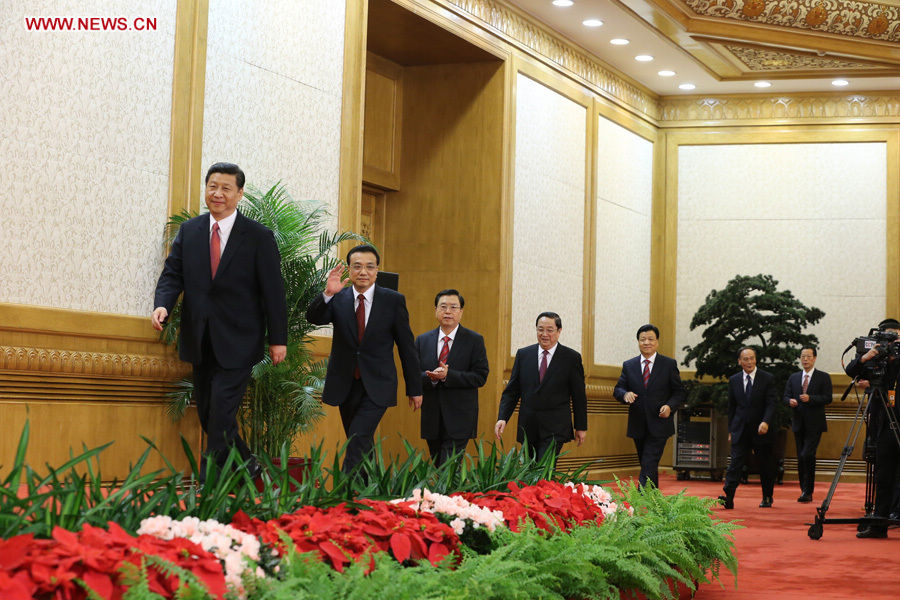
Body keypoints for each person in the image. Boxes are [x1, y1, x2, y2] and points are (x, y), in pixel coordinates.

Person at [151, 162, 287, 479]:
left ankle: (208, 487)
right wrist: (163, 306)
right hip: (200, 338)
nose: (218, 193)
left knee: (221, 413)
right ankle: (251, 470)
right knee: (212, 414)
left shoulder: (257, 236)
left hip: (240, 340)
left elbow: (273, 292)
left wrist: (278, 339)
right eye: (213, 186)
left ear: (239, 194)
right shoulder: (191, 231)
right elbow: (173, 275)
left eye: (226, 188)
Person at [306, 244, 423, 474]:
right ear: (349, 270)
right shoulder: (339, 297)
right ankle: (370, 497)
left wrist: (415, 387)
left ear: (377, 271)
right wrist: (328, 293)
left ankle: (345, 494)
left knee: (358, 438)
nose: (363, 272)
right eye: (357, 266)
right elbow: (314, 318)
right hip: (345, 384)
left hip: (378, 385)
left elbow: (407, 347)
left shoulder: (393, 300)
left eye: (369, 267)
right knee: (360, 443)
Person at [494, 312, 587, 464]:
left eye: (550, 330)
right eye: (540, 329)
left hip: (556, 427)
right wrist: (502, 417)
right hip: (528, 425)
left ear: (559, 331)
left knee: (545, 469)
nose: (544, 334)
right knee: (529, 470)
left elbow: (579, 396)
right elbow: (512, 391)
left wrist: (581, 426)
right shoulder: (524, 355)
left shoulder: (571, 358)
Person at [415, 289, 489, 465]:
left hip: (460, 417)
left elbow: (480, 376)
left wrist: (449, 376)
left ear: (461, 312)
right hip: (432, 417)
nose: (448, 311)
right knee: (438, 465)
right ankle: (447, 494)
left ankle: (445, 494)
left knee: (448, 468)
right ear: (435, 310)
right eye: (443, 307)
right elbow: (413, 375)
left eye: (453, 307)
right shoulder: (422, 340)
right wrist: (432, 377)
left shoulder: (474, 340)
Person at [845, 318, 900, 539]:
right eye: (887, 335)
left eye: (895, 335)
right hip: (885, 423)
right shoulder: (879, 359)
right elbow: (852, 371)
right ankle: (879, 524)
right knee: (883, 475)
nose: (892, 340)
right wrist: (867, 357)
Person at [613, 324, 684, 489]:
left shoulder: (668, 364)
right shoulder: (629, 365)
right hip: (638, 423)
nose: (646, 342)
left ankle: (641, 497)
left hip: (660, 422)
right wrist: (625, 394)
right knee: (647, 463)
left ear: (657, 342)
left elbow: (679, 393)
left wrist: (669, 406)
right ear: (638, 342)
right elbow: (618, 389)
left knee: (649, 460)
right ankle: (653, 501)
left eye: (650, 339)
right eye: (642, 339)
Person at [719, 347, 777, 509]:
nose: (749, 362)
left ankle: (767, 496)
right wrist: (731, 429)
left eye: (751, 358)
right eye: (745, 359)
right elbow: (732, 407)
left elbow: (771, 404)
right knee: (735, 463)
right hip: (740, 429)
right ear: (739, 361)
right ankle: (728, 496)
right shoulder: (734, 380)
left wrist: (766, 421)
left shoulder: (767, 378)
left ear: (756, 360)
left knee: (765, 464)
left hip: (761, 429)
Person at [783, 346, 832, 503]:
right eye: (803, 356)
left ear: (814, 358)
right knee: (801, 457)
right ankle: (803, 489)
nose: (805, 359)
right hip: (798, 422)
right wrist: (789, 401)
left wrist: (811, 398)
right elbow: (785, 396)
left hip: (815, 423)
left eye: (808, 356)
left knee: (807, 455)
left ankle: (808, 490)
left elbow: (828, 398)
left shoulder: (823, 377)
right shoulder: (794, 377)